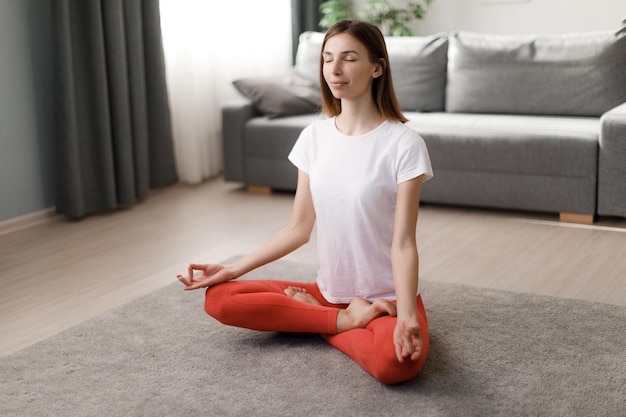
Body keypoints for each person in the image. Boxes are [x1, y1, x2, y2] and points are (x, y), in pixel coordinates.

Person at [177, 19, 433, 384]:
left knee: (397, 363)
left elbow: (404, 243)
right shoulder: (314, 137)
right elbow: (298, 229)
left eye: (348, 58)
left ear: (377, 67)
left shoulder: (404, 144)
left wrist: (406, 315)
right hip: (330, 293)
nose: (335, 70)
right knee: (219, 298)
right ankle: (343, 321)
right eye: (328, 59)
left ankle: (323, 323)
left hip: (386, 299)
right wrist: (232, 269)